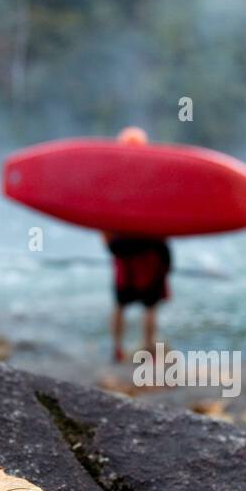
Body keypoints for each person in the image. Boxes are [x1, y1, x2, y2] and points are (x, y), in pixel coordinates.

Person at [106, 126, 171, 363]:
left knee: (121, 303)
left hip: (124, 249)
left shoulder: (112, 177)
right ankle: (147, 349)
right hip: (149, 248)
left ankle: (117, 348)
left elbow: (100, 215)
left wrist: (108, 242)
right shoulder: (153, 175)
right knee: (150, 305)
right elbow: (167, 210)